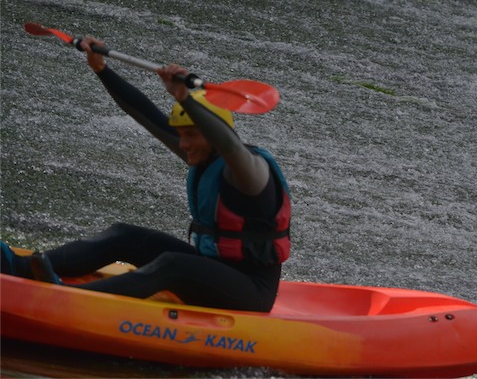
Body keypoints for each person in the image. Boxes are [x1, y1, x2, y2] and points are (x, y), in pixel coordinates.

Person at [0, 37, 291, 312]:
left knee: (172, 265)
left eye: (191, 135)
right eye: (181, 135)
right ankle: (19, 267)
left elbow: (230, 144)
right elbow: (144, 112)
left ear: (215, 135)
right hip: (212, 267)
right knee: (123, 235)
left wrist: (185, 98)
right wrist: (102, 70)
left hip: (251, 290)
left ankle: (70, 299)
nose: (184, 144)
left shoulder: (250, 171)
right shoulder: (205, 155)